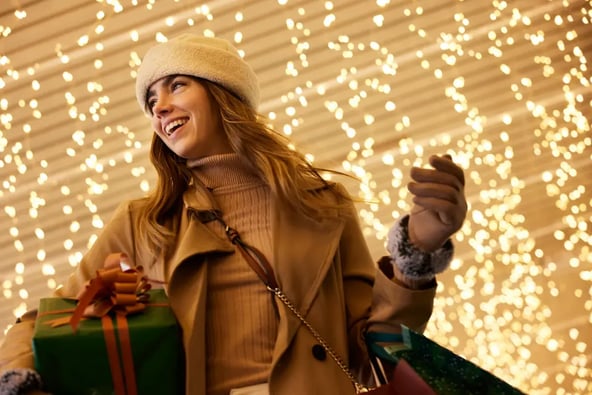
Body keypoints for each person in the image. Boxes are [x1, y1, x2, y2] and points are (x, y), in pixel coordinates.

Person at [0, 33, 467, 395]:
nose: (160, 107)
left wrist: (415, 257)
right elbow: (41, 322)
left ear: (223, 94)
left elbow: (374, 358)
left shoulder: (322, 207)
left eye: (176, 85)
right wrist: (18, 377)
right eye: (151, 101)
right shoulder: (144, 223)